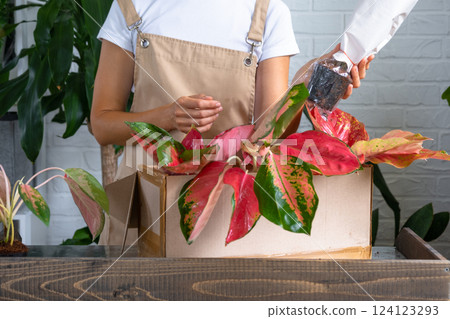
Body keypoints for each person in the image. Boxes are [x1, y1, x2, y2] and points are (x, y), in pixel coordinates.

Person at [91, 0, 372, 245]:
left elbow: (269, 133)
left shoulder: (267, 14)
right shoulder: (132, 6)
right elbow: (102, 125)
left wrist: (304, 82)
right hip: (143, 197)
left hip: (220, 201)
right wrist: (166, 116)